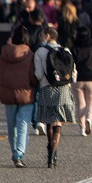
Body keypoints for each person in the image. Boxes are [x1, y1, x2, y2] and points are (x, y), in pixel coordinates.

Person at [0, 24, 39, 167]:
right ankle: (19, 154)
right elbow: (34, 76)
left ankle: (14, 151)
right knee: (23, 124)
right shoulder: (30, 55)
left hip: (8, 94)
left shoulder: (4, 54)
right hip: (26, 94)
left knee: (11, 124)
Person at [34, 27, 77, 168]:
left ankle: (49, 150)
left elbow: (39, 74)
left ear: (47, 36)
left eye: (42, 35)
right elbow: (73, 73)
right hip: (63, 89)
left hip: (47, 88)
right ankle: (54, 153)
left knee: (48, 120)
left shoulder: (40, 52)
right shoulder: (66, 51)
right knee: (58, 121)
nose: (41, 37)